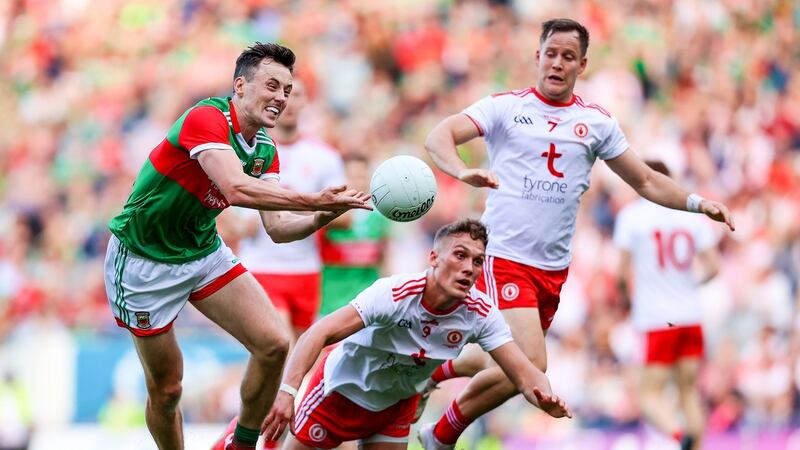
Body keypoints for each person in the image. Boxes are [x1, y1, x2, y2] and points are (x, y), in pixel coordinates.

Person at [417, 18, 735, 449]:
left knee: (506, 358)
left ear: (581, 65)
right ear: (537, 57)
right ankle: (441, 435)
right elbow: (439, 135)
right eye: (551, 53)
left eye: (568, 57)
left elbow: (644, 180)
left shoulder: (596, 123)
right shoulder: (505, 107)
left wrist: (697, 203)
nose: (558, 63)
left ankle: (432, 371)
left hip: (553, 269)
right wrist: (460, 171)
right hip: (505, 256)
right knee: (531, 364)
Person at [103, 42, 371, 450]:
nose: (281, 97)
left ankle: (242, 444)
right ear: (240, 86)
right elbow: (234, 186)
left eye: (287, 89)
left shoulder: (264, 149)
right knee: (168, 390)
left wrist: (325, 215)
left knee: (274, 343)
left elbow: (279, 229)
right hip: (143, 262)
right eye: (272, 85)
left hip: (202, 252)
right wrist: (315, 198)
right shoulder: (206, 118)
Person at [247, 219, 570, 450]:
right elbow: (319, 333)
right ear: (433, 258)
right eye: (459, 255)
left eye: (477, 261)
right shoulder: (395, 294)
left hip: (395, 407)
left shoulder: (480, 313)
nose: (469, 268)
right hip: (339, 395)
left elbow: (525, 371)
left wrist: (544, 396)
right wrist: (288, 391)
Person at [614, 161, 720, 450]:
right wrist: (689, 286)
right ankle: (695, 444)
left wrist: (627, 296)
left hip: (655, 318)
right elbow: (713, 268)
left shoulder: (632, 217)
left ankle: (678, 436)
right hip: (690, 314)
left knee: (649, 395)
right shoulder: (691, 216)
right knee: (689, 393)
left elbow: (621, 274)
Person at [236, 79, 347, 339]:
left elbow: (345, 217)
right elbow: (223, 201)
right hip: (261, 266)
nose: (289, 101)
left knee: (298, 354)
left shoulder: (324, 156)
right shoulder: (249, 149)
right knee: (279, 343)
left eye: (296, 94)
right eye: (283, 93)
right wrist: (239, 223)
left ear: (306, 101)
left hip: (306, 268)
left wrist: (297, 208)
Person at [318, 153, 392, 317]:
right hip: (330, 306)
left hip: (366, 307)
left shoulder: (379, 217)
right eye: (352, 176)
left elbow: (384, 259)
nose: (358, 181)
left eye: (362, 176)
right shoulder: (329, 216)